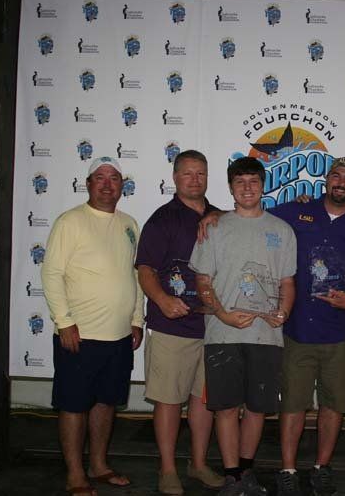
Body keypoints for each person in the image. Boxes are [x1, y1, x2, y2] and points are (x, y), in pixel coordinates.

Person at [270, 157, 345, 496]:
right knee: (292, 403)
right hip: (298, 331)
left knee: (334, 404)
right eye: (336, 175)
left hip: (342, 333)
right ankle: (288, 469)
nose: (341, 181)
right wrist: (218, 214)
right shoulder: (296, 212)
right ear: (326, 180)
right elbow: (255, 218)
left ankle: (322, 466)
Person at [190, 157, 297, 496]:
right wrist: (222, 315)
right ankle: (232, 475)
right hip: (222, 334)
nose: (248, 187)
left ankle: (247, 472)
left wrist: (283, 312)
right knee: (224, 407)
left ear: (264, 184)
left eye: (253, 180)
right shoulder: (215, 227)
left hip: (266, 336)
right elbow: (202, 281)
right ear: (231, 188)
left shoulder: (282, 230)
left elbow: (288, 283)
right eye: (240, 182)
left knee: (256, 408)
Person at [41, 157, 144, 495]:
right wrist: (65, 322)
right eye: (99, 178)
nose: (106, 184)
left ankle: (98, 465)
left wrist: (136, 319)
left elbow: (135, 276)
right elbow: (52, 274)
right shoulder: (70, 221)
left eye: (114, 178)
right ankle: (74, 475)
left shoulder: (130, 224)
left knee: (106, 403)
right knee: (73, 405)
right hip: (79, 336)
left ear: (122, 186)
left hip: (118, 337)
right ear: (88, 184)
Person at [135, 150, 224, 494]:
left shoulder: (220, 217)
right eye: (187, 173)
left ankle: (198, 464)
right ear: (174, 177)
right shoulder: (162, 220)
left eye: (200, 173)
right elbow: (145, 270)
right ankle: (168, 469)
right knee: (169, 400)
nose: (194, 179)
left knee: (204, 401)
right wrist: (161, 299)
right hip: (172, 327)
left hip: (213, 327)